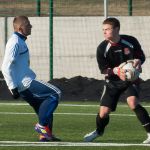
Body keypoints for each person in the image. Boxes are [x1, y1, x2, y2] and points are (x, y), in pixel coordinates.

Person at [83, 17, 150, 144]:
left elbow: (141, 56)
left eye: (107, 29)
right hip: (112, 82)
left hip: (131, 80)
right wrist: (116, 71)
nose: (104, 32)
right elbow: (103, 70)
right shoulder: (102, 48)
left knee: (133, 102)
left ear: (117, 29)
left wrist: (138, 61)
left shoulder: (130, 41)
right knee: (103, 113)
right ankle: (98, 131)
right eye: (103, 30)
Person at [1, 16, 61, 142]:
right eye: (28, 24)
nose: (31, 26)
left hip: (23, 83)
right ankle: (41, 127)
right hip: (25, 83)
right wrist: (12, 88)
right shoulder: (14, 42)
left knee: (42, 106)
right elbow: (5, 66)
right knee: (55, 93)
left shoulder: (20, 41)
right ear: (20, 28)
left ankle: (45, 136)